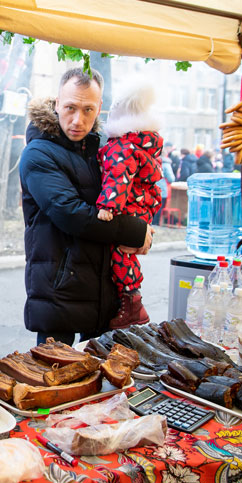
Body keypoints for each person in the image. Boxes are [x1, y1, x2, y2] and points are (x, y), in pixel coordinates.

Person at [19, 67, 152, 346]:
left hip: (104, 292)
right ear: (57, 103)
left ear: (100, 108)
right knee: (55, 377)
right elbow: (72, 215)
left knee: (102, 383)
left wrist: (146, 225)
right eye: (70, 108)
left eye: (88, 110)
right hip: (60, 291)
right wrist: (135, 230)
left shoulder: (104, 148)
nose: (78, 120)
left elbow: (132, 193)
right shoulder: (38, 153)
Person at [95, 78, 164, 328]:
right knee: (127, 251)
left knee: (121, 252)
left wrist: (108, 207)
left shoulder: (121, 147)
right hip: (142, 205)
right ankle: (132, 300)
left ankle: (133, 303)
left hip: (126, 206)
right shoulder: (144, 142)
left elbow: (118, 177)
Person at [154, 146, 175, 226]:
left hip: (151, 188)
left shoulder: (151, 161)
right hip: (162, 189)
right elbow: (171, 178)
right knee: (159, 208)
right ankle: (157, 224)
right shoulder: (166, 164)